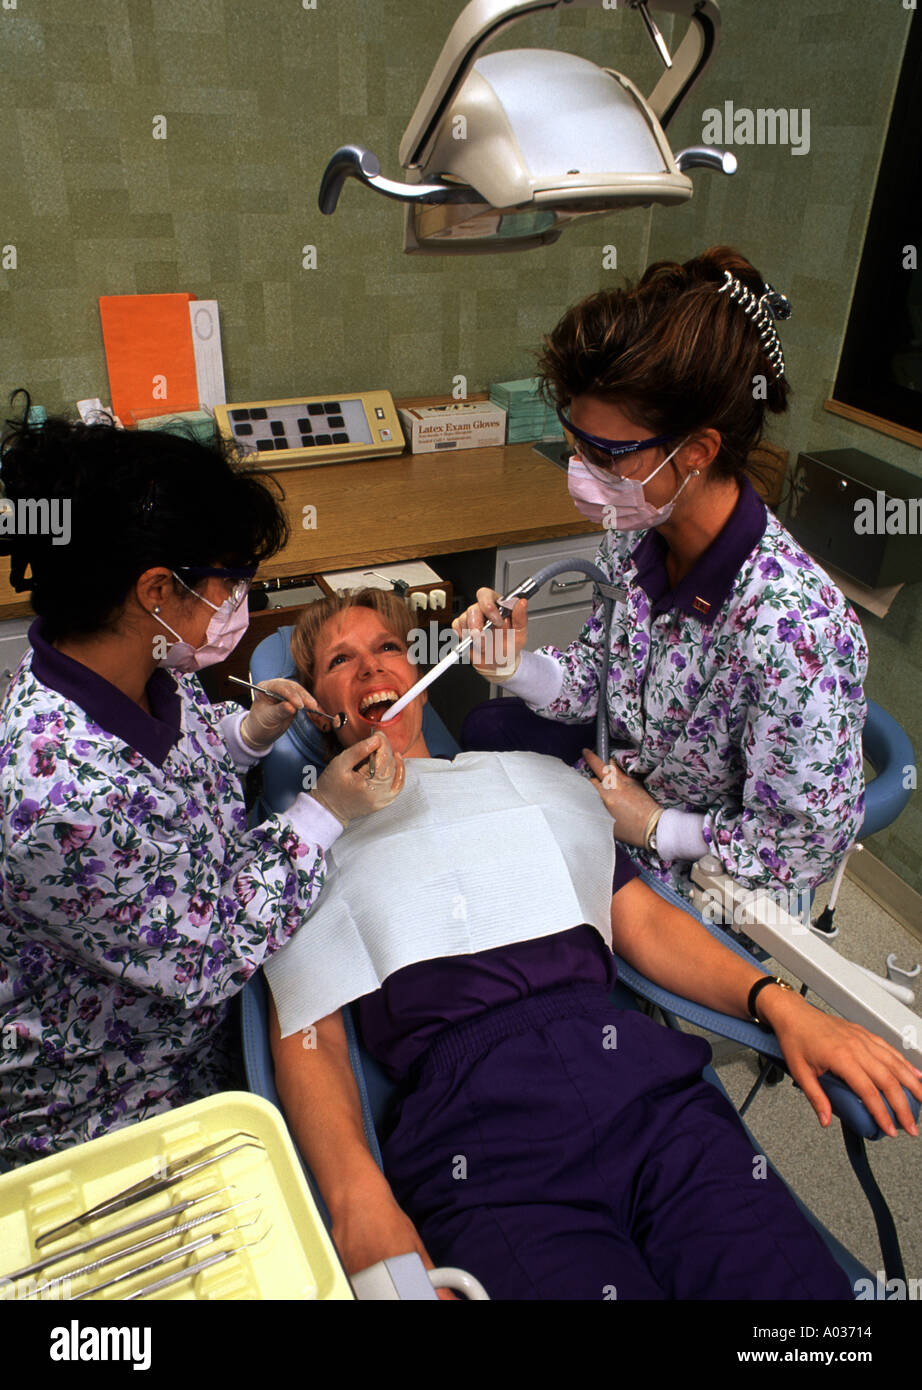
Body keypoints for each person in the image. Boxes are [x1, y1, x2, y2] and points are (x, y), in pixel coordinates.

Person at [268, 591, 921, 1302]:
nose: (371, 670)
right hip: (481, 1142)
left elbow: (642, 921)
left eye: (387, 649)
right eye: (341, 660)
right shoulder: (307, 841)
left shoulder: (526, 780)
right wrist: (363, 1205)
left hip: (647, 1093)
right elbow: (311, 1038)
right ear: (315, 704)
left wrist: (784, 1005)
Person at [0, 404, 402, 1168]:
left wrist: (243, 735)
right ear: (158, 591)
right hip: (108, 1097)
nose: (239, 604)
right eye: (233, 582)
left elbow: (172, 771)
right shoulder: (58, 801)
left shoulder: (132, 664)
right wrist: (322, 814)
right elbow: (206, 953)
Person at [454, 247, 868, 916]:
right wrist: (518, 667)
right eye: (575, 444)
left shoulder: (794, 629)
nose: (582, 471)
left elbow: (804, 846)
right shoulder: (640, 528)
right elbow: (598, 679)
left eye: (606, 455)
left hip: (714, 884)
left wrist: (656, 827)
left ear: (697, 452)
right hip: (620, 797)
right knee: (481, 753)